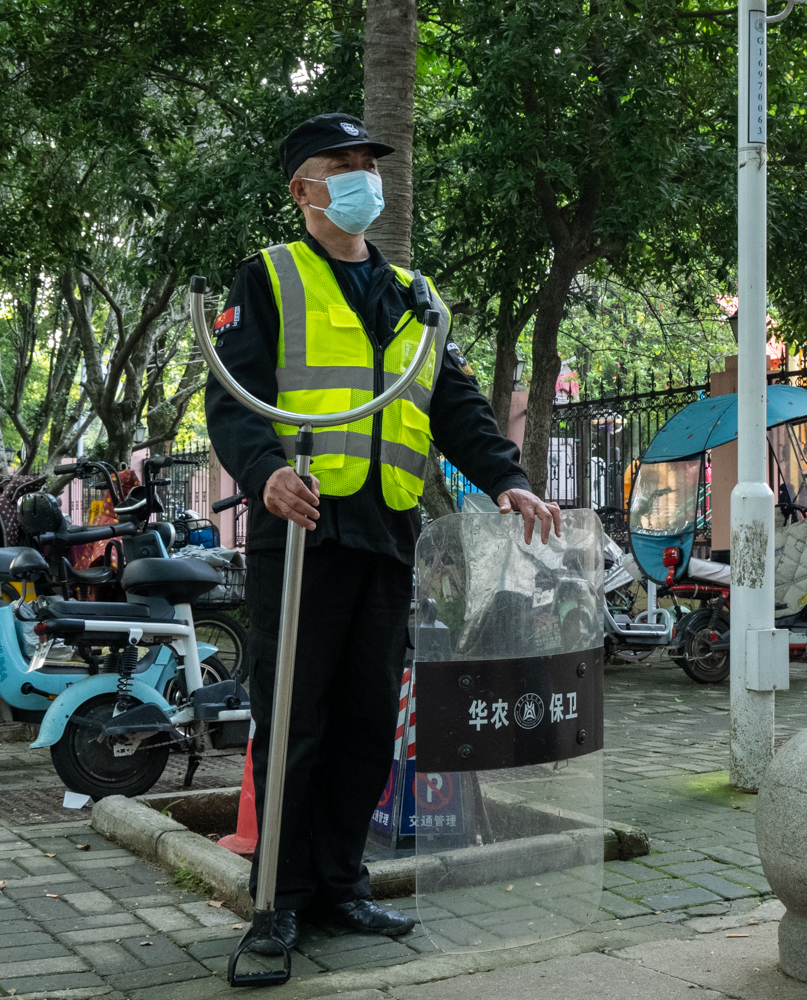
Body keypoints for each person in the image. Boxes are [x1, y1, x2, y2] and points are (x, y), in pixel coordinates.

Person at [205, 111, 561, 952]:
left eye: (371, 162)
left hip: (385, 531)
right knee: (295, 719)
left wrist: (507, 480)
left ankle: (339, 887)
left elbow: (456, 405)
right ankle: (279, 900)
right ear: (304, 188)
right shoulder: (267, 278)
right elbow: (232, 396)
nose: (365, 177)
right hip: (300, 532)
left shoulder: (416, 295)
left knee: (368, 721)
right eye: (345, 163)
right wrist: (265, 474)